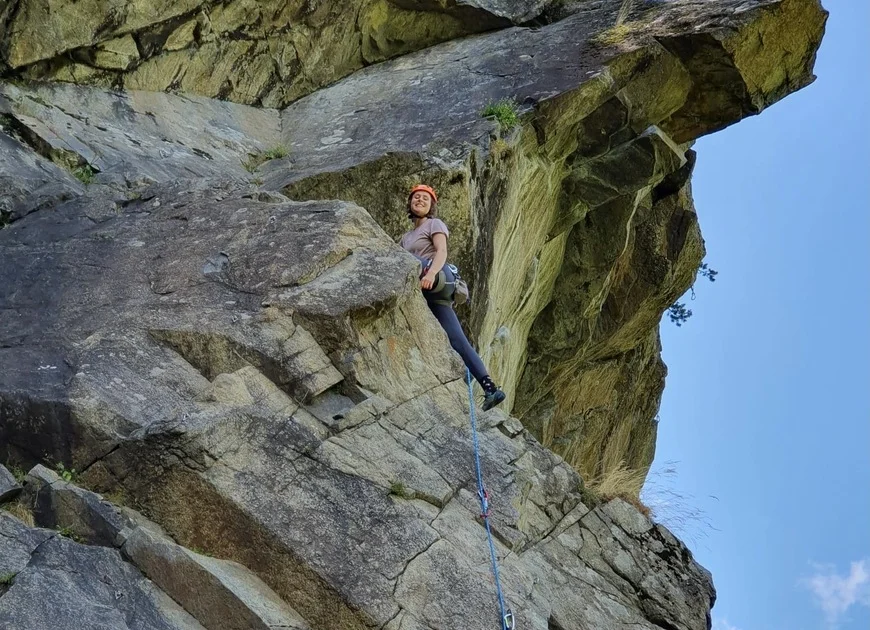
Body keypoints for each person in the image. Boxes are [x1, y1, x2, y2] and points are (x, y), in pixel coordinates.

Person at [399, 184, 506, 411]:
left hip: (436, 279)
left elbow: (442, 251)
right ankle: (490, 389)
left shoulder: (434, 224)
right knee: (456, 339)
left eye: (425, 199)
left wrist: (431, 274)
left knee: (407, 262)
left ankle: (487, 386)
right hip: (425, 292)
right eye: (416, 198)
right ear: (410, 203)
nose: (419, 200)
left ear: (431, 206)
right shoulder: (405, 238)